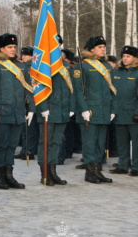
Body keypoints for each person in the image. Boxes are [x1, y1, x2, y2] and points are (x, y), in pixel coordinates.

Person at [0, 33, 35, 190]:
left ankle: (9, 175)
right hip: (2, 113)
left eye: (14, 47)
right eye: (10, 47)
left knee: (12, 146)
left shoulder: (21, 67)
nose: (13, 50)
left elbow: (28, 89)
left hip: (18, 113)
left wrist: (31, 109)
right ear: (1, 49)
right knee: (0, 146)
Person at [74, 36, 116, 184]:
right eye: (100, 47)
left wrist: (112, 109)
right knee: (90, 143)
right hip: (89, 112)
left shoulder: (107, 67)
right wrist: (83, 109)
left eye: (104, 46)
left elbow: (113, 91)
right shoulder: (82, 66)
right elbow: (78, 91)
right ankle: (90, 173)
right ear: (91, 49)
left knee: (100, 144)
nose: (103, 49)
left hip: (104, 111)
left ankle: (97, 171)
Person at [35, 40, 74, 186]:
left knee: (57, 142)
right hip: (49, 110)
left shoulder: (65, 66)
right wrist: (43, 107)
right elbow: (38, 88)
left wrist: (71, 107)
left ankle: (53, 170)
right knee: (45, 142)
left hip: (62, 110)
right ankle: (44, 172)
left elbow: (71, 88)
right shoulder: (43, 65)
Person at [111, 45, 138, 176]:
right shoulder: (116, 72)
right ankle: (123, 165)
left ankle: (136, 166)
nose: (125, 59)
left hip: (133, 114)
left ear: (135, 58)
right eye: (123, 56)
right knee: (121, 142)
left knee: (136, 143)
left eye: (128, 56)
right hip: (119, 113)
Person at [15, 46, 39, 160]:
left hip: (31, 100)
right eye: (22, 54)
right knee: (25, 128)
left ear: (32, 56)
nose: (23, 57)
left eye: (26, 55)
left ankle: (29, 150)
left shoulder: (32, 68)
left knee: (30, 128)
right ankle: (25, 149)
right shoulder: (22, 67)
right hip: (24, 100)